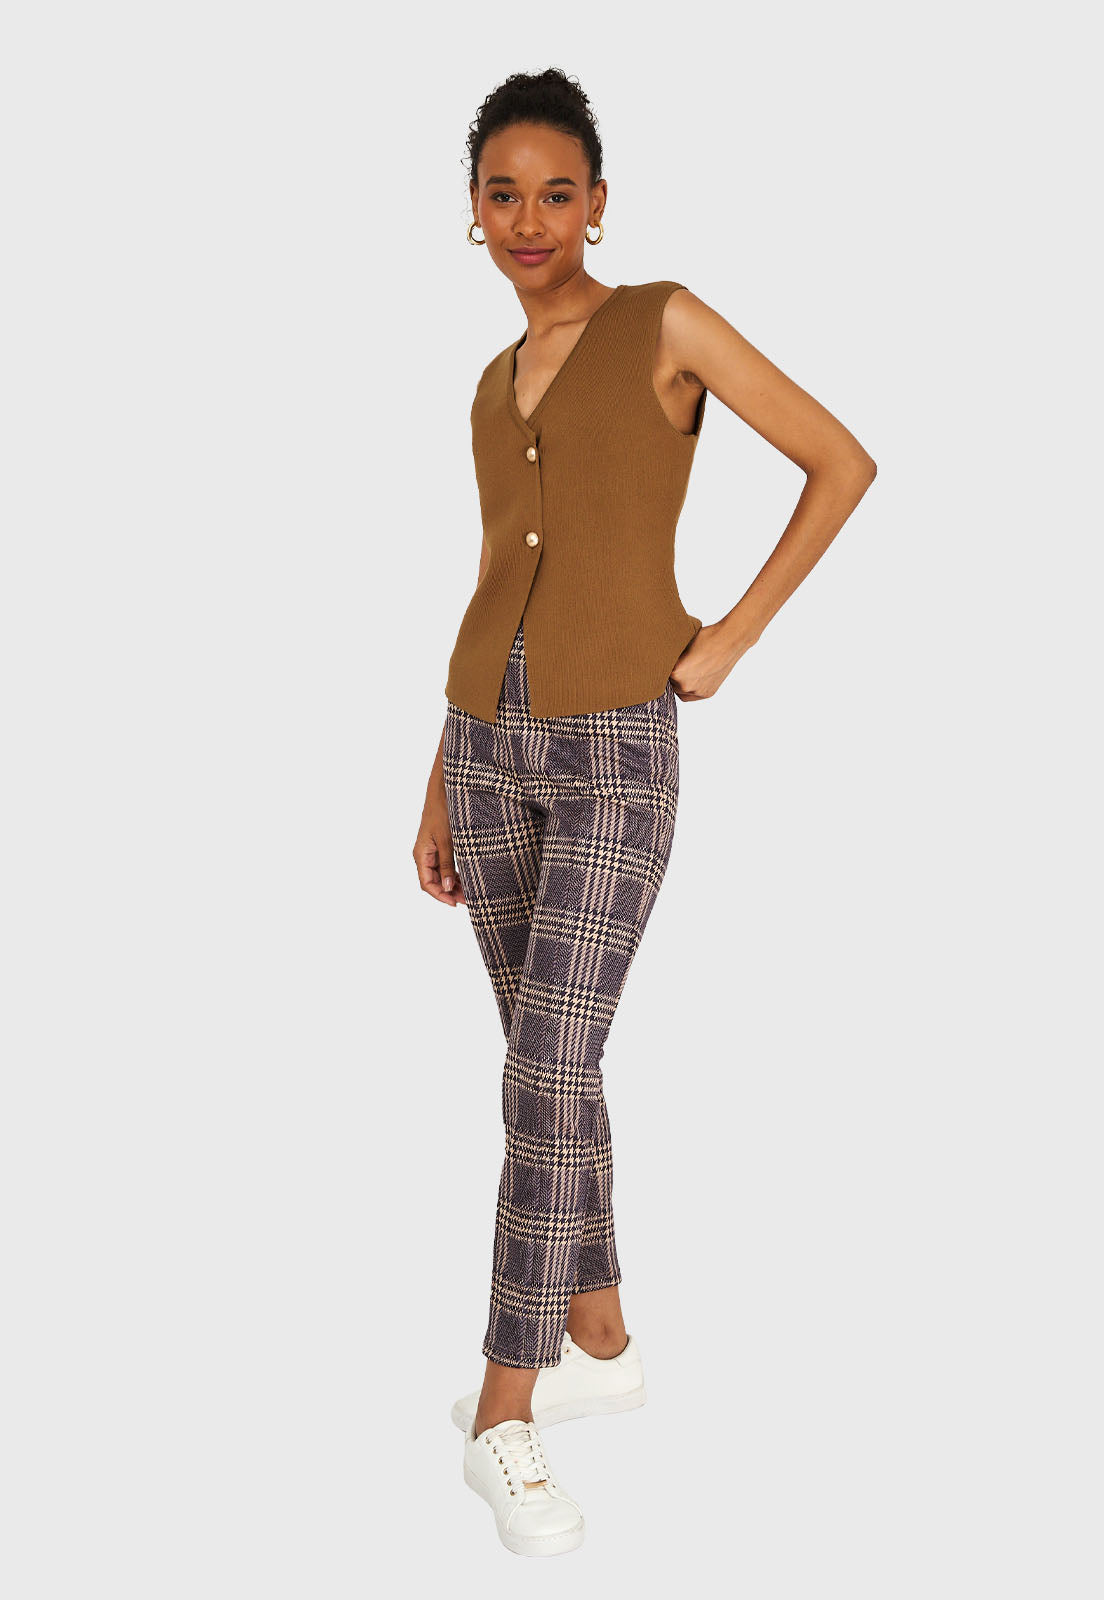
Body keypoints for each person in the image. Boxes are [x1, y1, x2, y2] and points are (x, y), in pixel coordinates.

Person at [413, 67, 877, 1558]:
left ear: (599, 204)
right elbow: (498, 575)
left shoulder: (665, 323)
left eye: (557, 193)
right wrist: (439, 772)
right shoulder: (491, 384)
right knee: (549, 1066)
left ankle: (506, 1405)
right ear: (471, 211)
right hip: (485, 749)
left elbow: (841, 460)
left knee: (549, 1063)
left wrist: (731, 635)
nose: (530, 219)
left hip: (618, 747)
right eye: (503, 194)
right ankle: (600, 1335)